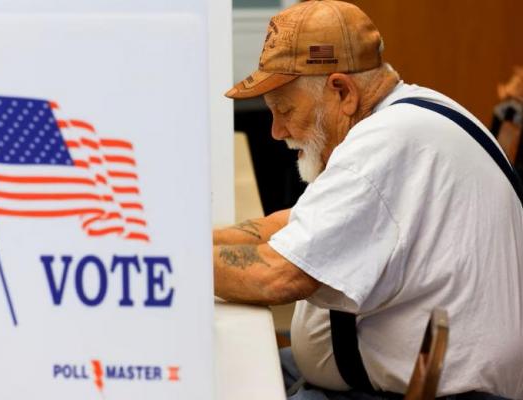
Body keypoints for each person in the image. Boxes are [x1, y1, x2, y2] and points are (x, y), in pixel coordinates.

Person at [213, 1, 523, 399]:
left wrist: (168, 263)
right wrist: (194, 240)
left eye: (285, 110)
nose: (275, 131)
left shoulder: (385, 142)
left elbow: (278, 276)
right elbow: (293, 223)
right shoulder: (412, 113)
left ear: (341, 91)